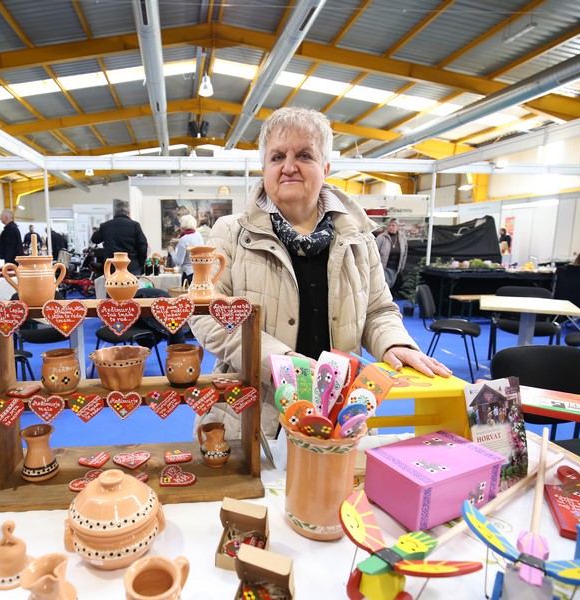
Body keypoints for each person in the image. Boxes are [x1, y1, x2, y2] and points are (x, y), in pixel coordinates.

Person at [190, 106, 450, 438]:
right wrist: (281, 362)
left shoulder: (358, 238)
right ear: (264, 168)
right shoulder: (229, 233)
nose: (288, 167)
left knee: (338, 489)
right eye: (277, 157)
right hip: (253, 413)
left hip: (338, 413)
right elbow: (206, 315)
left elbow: (378, 309)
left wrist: (393, 343)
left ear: (325, 168)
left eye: (304, 155)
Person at [91, 199, 148, 275]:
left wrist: (99, 229)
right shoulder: (134, 225)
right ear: (128, 212)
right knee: (132, 286)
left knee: (113, 287)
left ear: (115, 212)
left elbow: (94, 239)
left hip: (112, 267)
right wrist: (140, 263)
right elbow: (143, 246)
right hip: (131, 266)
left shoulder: (106, 226)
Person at [167, 214, 204, 286]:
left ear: (183, 226)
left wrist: (172, 251)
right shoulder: (198, 235)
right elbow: (192, 244)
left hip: (188, 274)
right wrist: (179, 241)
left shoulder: (183, 239)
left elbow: (179, 262)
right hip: (199, 272)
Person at [375, 218, 408, 293]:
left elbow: (404, 254)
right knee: (384, 287)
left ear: (397, 226)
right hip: (384, 267)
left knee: (391, 286)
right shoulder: (381, 237)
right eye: (389, 225)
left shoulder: (403, 238)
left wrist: (401, 267)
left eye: (393, 225)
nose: (391, 227)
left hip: (395, 268)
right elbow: (375, 252)